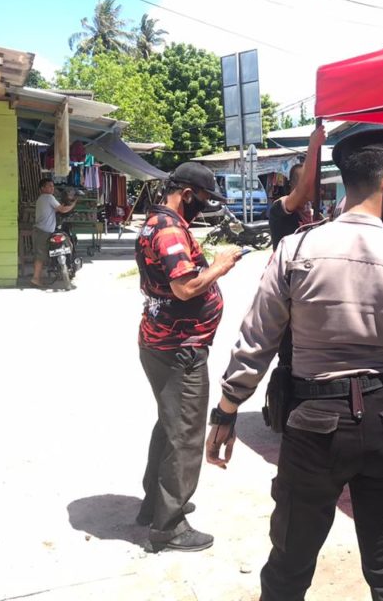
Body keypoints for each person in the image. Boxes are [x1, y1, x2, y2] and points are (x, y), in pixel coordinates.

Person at [206, 128, 383, 601]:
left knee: (289, 563)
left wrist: (228, 409)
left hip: (313, 423)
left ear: (345, 183)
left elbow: (258, 338)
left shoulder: (296, 250)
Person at [135, 161, 244, 552]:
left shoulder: (158, 223)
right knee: (185, 434)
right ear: (186, 194)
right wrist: (219, 267)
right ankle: (169, 526)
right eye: (203, 197)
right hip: (178, 348)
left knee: (170, 424)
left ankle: (156, 503)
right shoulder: (168, 230)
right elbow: (185, 288)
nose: (205, 204)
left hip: (164, 343)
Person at [268, 125, 326, 249]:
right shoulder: (278, 208)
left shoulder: (315, 215)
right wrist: (313, 145)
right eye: (312, 181)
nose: (317, 187)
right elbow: (304, 186)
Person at [31, 177, 76, 287]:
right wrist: (74, 203)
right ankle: (35, 279)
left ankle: (37, 278)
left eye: (53, 186)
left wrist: (63, 205)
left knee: (40, 255)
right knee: (40, 256)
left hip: (41, 230)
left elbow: (55, 209)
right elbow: (62, 210)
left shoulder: (41, 199)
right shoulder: (48, 197)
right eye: (49, 186)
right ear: (42, 188)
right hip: (43, 231)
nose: (52, 188)